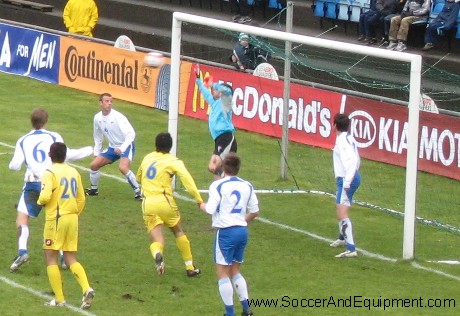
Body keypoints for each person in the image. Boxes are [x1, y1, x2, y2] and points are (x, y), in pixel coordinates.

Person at [8, 108, 92, 272]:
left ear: (31, 121)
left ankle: (23, 251)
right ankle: (62, 257)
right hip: (53, 182)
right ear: (46, 121)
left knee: (22, 218)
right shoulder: (54, 136)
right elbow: (68, 155)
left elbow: (15, 165)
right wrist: (90, 150)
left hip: (33, 184)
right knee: (57, 219)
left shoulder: (23, 140)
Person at [199, 153, 260, 316]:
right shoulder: (247, 185)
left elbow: (210, 209)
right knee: (235, 270)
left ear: (223, 167)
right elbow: (255, 211)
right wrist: (242, 221)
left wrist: (202, 205)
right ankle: (247, 310)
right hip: (242, 231)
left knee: (222, 272)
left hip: (226, 232)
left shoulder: (218, 185)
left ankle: (229, 313)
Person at [136, 132, 203, 277]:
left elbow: (138, 178)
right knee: (178, 230)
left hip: (148, 203)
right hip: (165, 201)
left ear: (156, 145)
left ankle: (157, 252)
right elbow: (187, 179)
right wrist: (198, 199)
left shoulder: (147, 157)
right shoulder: (173, 161)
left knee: (157, 239)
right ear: (170, 147)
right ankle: (190, 267)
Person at [37, 142, 95, 309]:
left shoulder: (49, 172)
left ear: (50, 155)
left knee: (50, 256)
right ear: (65, 155)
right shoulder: (74, 171)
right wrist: (75, 213)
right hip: (72, 217)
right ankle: (86, 288)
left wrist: (39, 201)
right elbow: (81, 198)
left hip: (56, 218)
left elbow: (46, 195)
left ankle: (60, 299)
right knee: (70, 257)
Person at [86, 92, 142, 200]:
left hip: (126, 145)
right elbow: (97, 136)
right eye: (107, 101)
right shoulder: (97, 118)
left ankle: (138, 192)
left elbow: (131, 134)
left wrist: (122, 148)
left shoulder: (118, 117)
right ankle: (94, 190)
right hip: (113, 147)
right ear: (100, 103)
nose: (109, 103)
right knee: (94, 165)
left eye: (111, 101)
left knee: (123, 168)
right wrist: (96, 153)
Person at [329, 113, 361, 258]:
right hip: (347, 178)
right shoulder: (347, 138)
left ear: (335, 125)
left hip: (348, 179)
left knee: (342, 213)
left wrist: (347, 181)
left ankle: (351, 249)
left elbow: (353, 160)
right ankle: (342, 238)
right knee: (339, 206)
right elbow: (356, 158)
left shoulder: (342, 141)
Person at [195, 70, 237, 179]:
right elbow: (205, 93)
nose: (213, 91)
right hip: (219, 140)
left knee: (215, 166)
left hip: (226, 138)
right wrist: (199, 81)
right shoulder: (215, 103)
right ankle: (219, 192)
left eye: (216, 90)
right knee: (212, 168)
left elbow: (228, 90)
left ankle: (229, 182)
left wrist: (212, 84)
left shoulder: (226, 101)